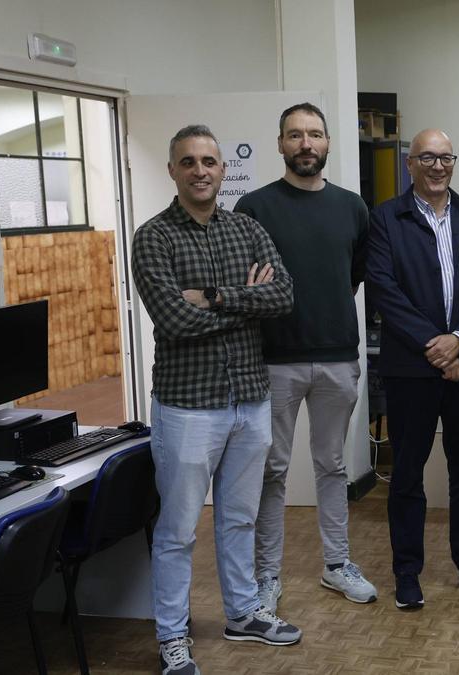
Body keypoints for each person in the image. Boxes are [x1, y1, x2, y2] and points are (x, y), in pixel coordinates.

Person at [132, 124, 301, 675]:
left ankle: (244, 613)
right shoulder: (153, 237)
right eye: (188, 162)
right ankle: (172, 637)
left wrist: (215, 297)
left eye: (209, 161)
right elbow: (173, 320)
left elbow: (283, 295)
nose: (200, 171)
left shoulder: (246, 228)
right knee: (178, 530)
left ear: (223, 169)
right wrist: (247, 302)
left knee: (239, 519)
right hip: (187, 406)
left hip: (249, 398)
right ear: (173, 171)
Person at [234, 102, 376, 609]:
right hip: (274, 360)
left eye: (314, 134)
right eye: (294, 135)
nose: (305, 143)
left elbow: (352, 276)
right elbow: (245, 285)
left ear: (328, 142)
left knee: (332, 465)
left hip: (338, 356)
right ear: (280, 144)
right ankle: (266, 576)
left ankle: (337, 565)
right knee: (271, 470)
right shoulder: (254, 207)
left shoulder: (353, 207)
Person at [366, 128, 459, 610]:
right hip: (411, 370)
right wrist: (437, 346)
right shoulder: (387, 218)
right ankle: (407, 572)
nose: (438, 166)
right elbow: (383, 289)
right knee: (407, 474)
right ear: (410, 164)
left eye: (445, 157)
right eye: (427, 157)